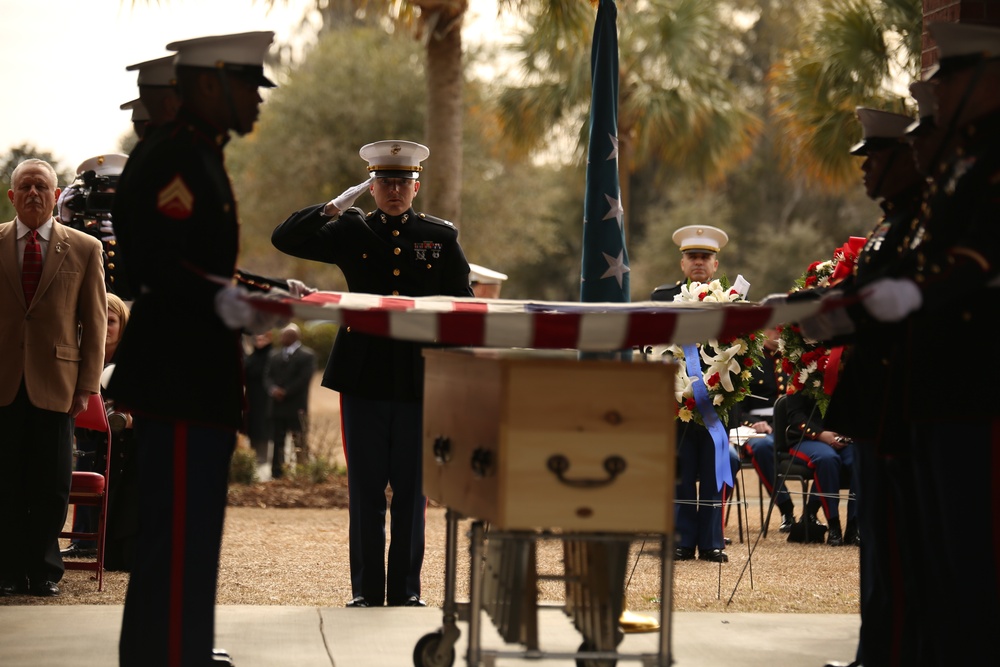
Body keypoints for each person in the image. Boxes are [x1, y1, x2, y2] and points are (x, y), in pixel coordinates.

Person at [799, 22, 1000, 666]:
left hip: (967, 388)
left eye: (949, 81)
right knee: (927, 550)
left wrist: (914, 297)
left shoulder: (984, 161)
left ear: (983, 80)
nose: (938, 98)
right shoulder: (954, 170)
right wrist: (834, 312)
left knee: (967, 550)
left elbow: (969, 261)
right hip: (915, 397)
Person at [109, 31, 283, 666]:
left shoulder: (198, 152)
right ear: (209, 84)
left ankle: (170, 652)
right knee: (178, 543)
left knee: (184, 542)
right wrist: (223, 299)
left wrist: (245, 292)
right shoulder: (178, 156)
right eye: (247, 87)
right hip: (180, 377)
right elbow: (157, 263)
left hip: (191, 378)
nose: (257, 102)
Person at [272, 139, 474, 607]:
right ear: (371, 185)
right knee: (365, 489)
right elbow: (285, 239)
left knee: (412, 489)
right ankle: (365, 590)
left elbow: (463, 304)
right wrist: (332, 207)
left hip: (419, 377)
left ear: (415, 186)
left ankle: (405, 590)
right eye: (384, 182)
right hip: (362, 374)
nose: (394, 190)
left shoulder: (440, 237)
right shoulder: (350, 229)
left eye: (402, 182)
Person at [0, 158, 107, 597]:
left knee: (50, 482)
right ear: (11, 195)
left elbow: (96, 322)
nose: (32, 194)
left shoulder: (84, 248)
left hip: (58, 384)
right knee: (4, 480)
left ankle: (44, 569)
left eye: (41, 187)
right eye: (24, 186)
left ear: (56, 194)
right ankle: (6, 570)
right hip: (3, 382)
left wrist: (87, 385)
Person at [651, 224, 732, 562]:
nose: (699, 262)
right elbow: (654, 348)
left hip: (717, 402)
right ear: (682, 263)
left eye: (705, 257)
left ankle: (712, 542)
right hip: (677, 403)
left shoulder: (731, 301)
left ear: (715, 265)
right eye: (692, 257)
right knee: (681, 473)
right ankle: (683, 541)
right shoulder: (662, 299)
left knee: (713, 472)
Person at [61, 292, 135, 562]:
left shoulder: (131, 363)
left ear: (123, 324)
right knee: (83, 458)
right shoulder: (83, 361)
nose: (104, 327)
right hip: (88, 436)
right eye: (99, 319)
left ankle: (99, 538)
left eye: (111, 320)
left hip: (123, 445)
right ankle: (83, 537)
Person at [729, 327, 796, 532]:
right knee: (764, 447)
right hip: (756, 426)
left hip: (787, 425)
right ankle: (786, 508)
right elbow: (737, 404)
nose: (778, 333)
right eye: (774, 329)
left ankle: (812, 512)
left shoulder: (794, 360)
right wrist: (753, 422)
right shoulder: (750, 360)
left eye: (782, 329)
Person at [58, 153, 129, 296]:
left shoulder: (143, 232)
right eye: (101, 189)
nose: (107, 196)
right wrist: (64, 222)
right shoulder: (80, 233)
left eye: (115, 187)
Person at [265, 323, 316, 480]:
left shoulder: (307, 356)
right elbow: (267, 376)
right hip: (277, 407)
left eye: (284, 335)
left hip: (296, 406)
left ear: (294, 336)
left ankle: (302, 472)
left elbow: (304, 379)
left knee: (299, 441)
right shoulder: (274, 356)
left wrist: (286, 391)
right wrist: (273, 389)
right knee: (277, 442)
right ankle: (277, 473)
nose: (281, 338)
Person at [243, 331, 274, 466]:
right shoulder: (251, 357)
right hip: (251, 398)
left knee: (263, 429)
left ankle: (264, 460)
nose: (260, 343)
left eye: (263, 340)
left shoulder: (272, 356)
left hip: (266, 399)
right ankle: (253, 459)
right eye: (258, 340)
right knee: (252, 427)